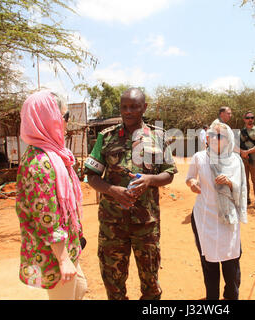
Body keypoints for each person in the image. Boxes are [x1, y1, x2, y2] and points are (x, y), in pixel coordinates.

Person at [85, 88, 177, 300]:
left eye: (134, 106)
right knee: (113, 284)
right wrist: (112, 190)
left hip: (146, 224)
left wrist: (150, 180)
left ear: (144, 108)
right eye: (124, 107)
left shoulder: (158, 136)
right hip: (112, 225)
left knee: (151, 284)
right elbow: (91, 175)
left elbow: (169, 173)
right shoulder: (105, 138)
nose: (128, 111)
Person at [16, 90, 87, 300]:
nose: (66, 123)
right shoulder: (40, 164)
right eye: (65, 117)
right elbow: (47, 218)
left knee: (81, 289)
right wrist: (63, 259)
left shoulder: (53, 155)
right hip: (54, 255)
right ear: (49, 120)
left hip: (67, 245)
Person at [186, 122, 247, 300]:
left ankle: (230, 296)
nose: (212, 138)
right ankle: (211, 298)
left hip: (228, 218)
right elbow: (189, 177)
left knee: (231, 263)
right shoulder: (199, 157)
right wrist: (193, 184)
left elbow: (242, 188)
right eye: (210, 135)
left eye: (218, 136)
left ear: (228, 139)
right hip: (204, 217)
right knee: (209, 263)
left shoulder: (235, 160)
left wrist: (229, 182)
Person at [239, 111, 255, 209]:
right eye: (248, 118)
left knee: (254, 180)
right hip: (243, 159)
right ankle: (247, 199)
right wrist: (242, 152)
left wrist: (247, 152)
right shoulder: (241, 132)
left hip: (254, 159)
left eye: (252, 118)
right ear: (244, 119)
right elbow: (237, 144)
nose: (250, 120)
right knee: (245, 180)